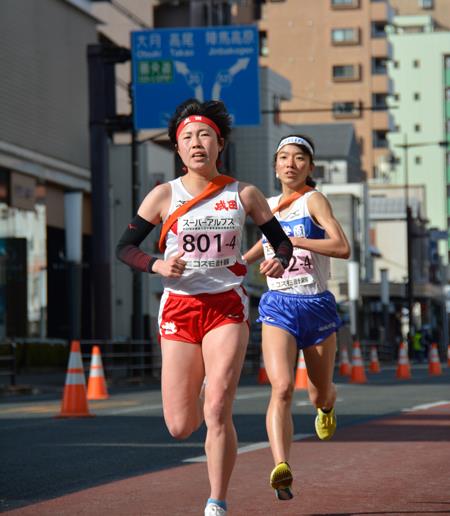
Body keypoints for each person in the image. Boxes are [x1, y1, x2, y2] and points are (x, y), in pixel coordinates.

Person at [116, 99, 293, 516]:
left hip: (226, 307)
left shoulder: (243, 194)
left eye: (205, 136)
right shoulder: (163, 195)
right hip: (179, 308)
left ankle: (217, 501)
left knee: (217, 407)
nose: (197, 144)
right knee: (180, 426)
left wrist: (279, 259)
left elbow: (280, 241)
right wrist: (157, 263)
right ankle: (200, 384)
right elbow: (124, 248)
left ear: (220, 144)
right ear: (177, 150)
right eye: (187, 138)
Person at [243, 134, 350, 501]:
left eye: (299, 158)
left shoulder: (313, 200)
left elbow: (342, 247)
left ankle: (328, 406)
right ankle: (281, 467)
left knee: (318, 392)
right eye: (284, 158)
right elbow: (262, 244)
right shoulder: (267, 206)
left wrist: (294, 241)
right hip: (279, 305)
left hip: (316, 304)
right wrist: (237, 264)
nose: (291, 163)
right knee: (282, 387)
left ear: (310, 166)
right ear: (275, 166)